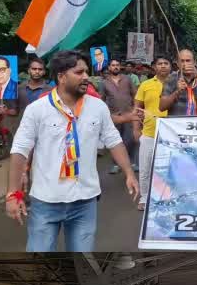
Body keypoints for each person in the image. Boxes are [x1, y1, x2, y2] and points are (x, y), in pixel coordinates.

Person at [8, 50, 140, 251]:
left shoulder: (98, 107)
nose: (86, 77)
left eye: (86, 72)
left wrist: (129, 173)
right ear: (61, 77)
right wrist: (13, 193)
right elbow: (19, 150)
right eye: (79, 72)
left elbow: (113, 141)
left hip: (85, 201)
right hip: (46, 201)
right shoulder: (37, 109)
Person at [134, 56, 171, 211]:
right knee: (145, 168)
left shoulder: (178, 83)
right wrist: (136, 128)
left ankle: (167, 196)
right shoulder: (145, 85)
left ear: (171, 66)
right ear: (154, 67)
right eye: (159, 64)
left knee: (168, 168)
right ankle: (144, 197)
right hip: (149, 132)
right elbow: (137, 109)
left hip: (171, 134)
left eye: (166, 63)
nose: (163, 66)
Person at [97, 57, 139, 175]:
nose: (115, 67)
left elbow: (135, 94)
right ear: (109, 68)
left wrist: (135, 109)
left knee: (130, 139)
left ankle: (132, 162)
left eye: (117, 65)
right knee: (115, 140)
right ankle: (116, 164)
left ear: (120, 67)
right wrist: (105, 114)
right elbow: (101, 99)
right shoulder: (104, 83)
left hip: (129, 114)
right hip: (113, 116)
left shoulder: (128, 79)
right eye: (113, 65)